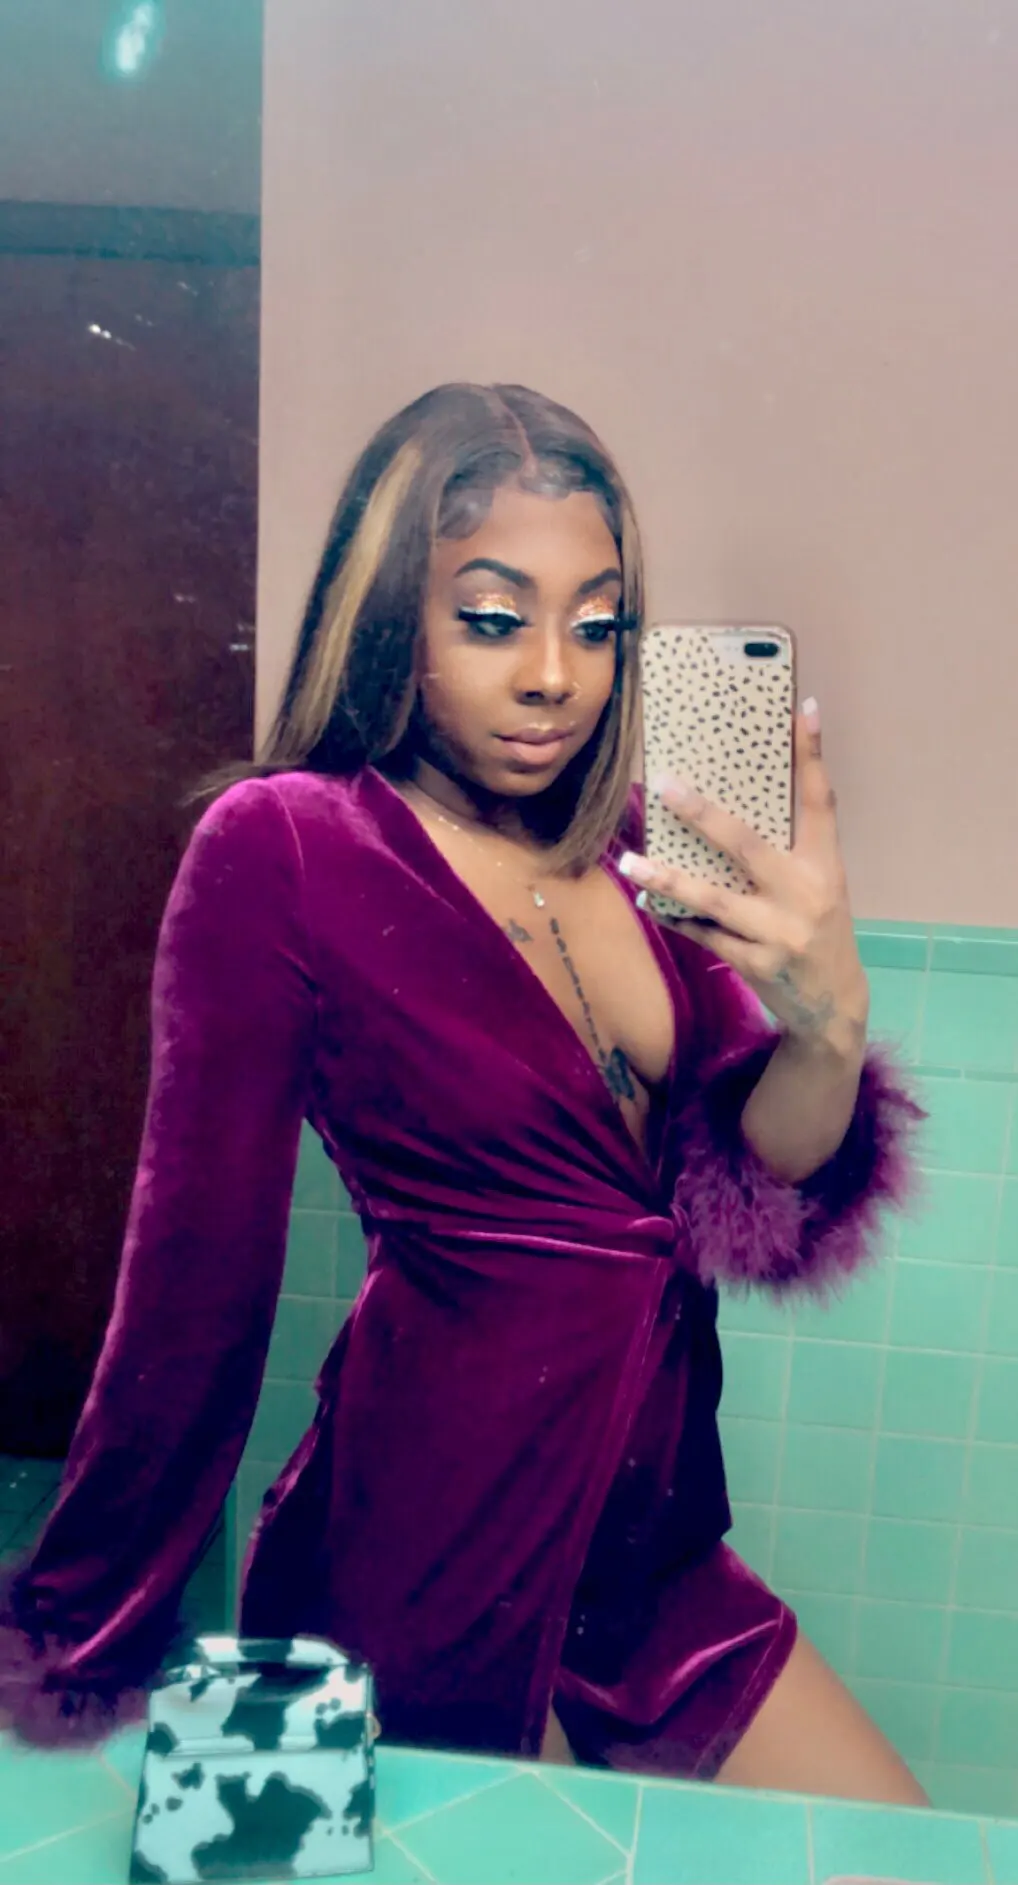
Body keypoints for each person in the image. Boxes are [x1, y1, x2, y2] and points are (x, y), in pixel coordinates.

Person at [1, 383, 924, 1803]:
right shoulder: (287, 845)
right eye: (493, 618)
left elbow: (752, 1191)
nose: (555, 674)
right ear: (394, 622)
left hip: (651, 1553)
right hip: (429, 1544)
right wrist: (81, 1637)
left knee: (892, 1848)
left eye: (597, 624)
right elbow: (189, 1284)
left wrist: (829, 1026)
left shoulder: (638, 843)